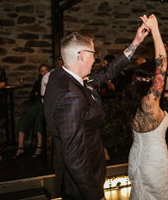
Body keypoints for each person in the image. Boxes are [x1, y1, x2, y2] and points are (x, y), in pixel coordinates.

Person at [44, 15, 148, 200]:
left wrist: (136, 41)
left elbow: (109, 71)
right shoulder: (71, 95)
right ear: (82, 55)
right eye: (93, 53)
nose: (95, 58)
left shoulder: (61, 75)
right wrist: (95, 195)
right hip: (82, 179)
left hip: (79, 170)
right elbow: (74, 157)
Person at [120, 14, 168, 199]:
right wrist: (155, 29)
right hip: (154, 162)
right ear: (152, 80)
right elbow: (162, 63)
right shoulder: (150, 101)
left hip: (135, 159)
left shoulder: (131, 101)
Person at [14, 64, 49, 159]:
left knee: (39, 119)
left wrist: (38, 94)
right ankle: (20, 147)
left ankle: (39, 147)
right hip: (38, 103)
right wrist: (36, 94)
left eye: (46, 70)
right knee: (23, 120)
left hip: (47, 104)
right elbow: (32, 96)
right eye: (42, 70)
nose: (44, 72)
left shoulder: (51, 80)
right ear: (39, 72)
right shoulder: (38, 82)